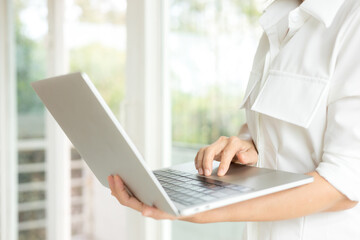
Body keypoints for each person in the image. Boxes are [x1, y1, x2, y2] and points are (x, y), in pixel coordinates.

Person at [108, 0, 360, 239]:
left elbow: (344, 185)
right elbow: (267, 129)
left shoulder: (352, 20)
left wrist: (204, 208)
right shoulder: (277, 20)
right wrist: (246, 143)